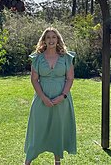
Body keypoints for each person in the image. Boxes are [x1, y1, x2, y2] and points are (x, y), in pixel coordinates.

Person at [24, 27, 77, 165]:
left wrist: (63, 96)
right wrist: (43, 98)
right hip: (42, 100)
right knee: (38, 130)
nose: (51, 40)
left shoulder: (66, 58)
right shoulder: (37, 58)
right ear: (44, 40)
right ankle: (27, 161)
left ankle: (57, 161)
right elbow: (34, 79)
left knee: (57, 129)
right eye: (48, 37)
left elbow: (70, 78)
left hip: (62, 100)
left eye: (54, 37)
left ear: (58, 39)